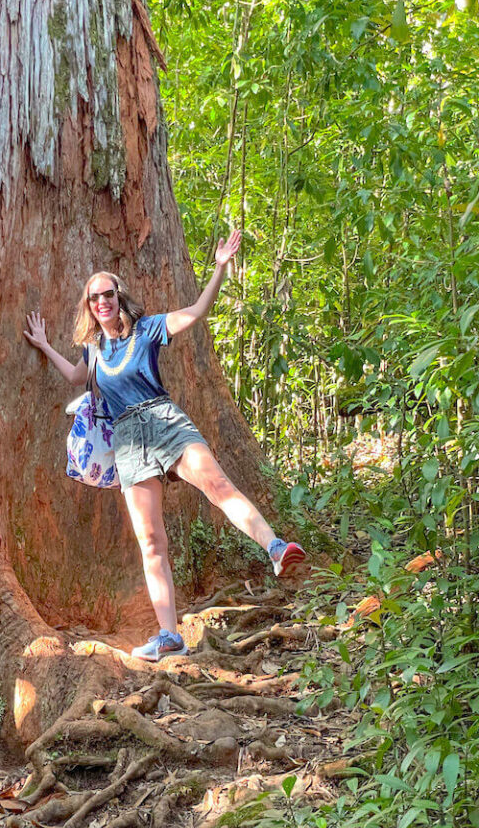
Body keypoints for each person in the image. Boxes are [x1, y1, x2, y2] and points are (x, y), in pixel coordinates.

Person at [23, 230, 306, 662]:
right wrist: (44, 346)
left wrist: (220, 269)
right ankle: (169, 635)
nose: (102, 301)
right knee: (151, 541)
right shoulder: (94, 350)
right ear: (89, 306)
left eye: (108, 294)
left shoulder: (149, 329)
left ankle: (274, 546)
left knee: (218, 485)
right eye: (94, 297)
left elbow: (196, 312)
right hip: (128, 443)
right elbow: (76, 380)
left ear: (119, 297)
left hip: (165, 421)